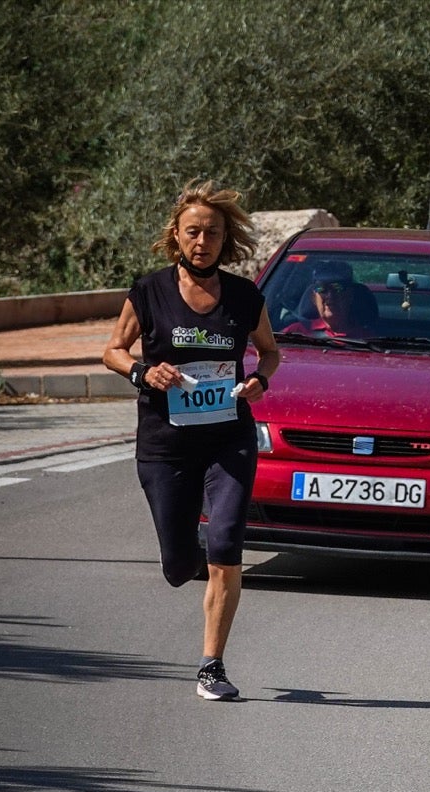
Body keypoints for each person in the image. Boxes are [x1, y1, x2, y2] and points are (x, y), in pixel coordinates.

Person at [102, 179, 278, 701]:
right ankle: (191, 560)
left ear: (227, 240)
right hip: (165, 443)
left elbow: (269, 351)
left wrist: (259, 381)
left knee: (226, 545)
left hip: (228, 438)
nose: (203, 242)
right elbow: (112, 350)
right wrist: (141, 373)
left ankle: (212, 665)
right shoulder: (149, 291)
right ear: (175, 236)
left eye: (214, 233)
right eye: (193, 232)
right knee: (180, 565)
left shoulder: (245, 296)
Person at [282, 260, 377, 337]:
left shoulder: (367, 339)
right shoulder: (295, 333)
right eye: (322, 289)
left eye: (337, 288)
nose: (330, 296)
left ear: (349, 296)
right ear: (314, 298)